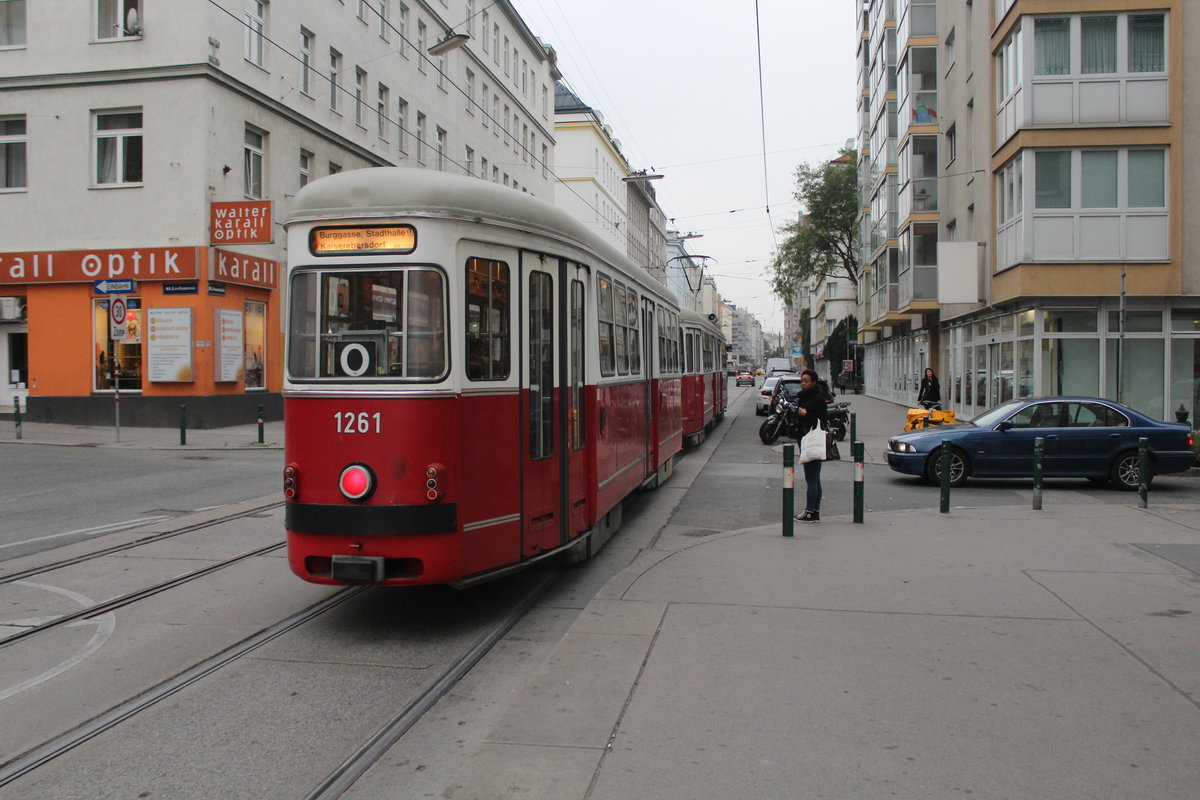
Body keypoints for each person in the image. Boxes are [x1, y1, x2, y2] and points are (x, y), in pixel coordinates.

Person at [792, 369, 829, 523]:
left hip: (812, 442)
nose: (803, 384)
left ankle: (809, 512)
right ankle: (815, 511)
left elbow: (821, 422)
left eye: (807, 381)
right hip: (806, 440)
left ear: (814, 382)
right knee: (815, 479)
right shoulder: (803, 397)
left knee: (811, 478)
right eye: (802, 381)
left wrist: (804, 414)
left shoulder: (818, 399)